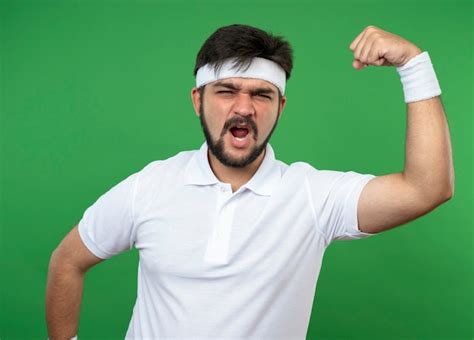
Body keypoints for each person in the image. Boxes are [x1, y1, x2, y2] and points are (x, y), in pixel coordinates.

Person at [46, 24, 454, 339]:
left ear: (281, 107)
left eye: (261, 94)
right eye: (226, 90)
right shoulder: (150, 186)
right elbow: (67, 261)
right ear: (197, 101)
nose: (244, 108)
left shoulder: (312, 197)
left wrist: (413, 65)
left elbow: (427, 188)